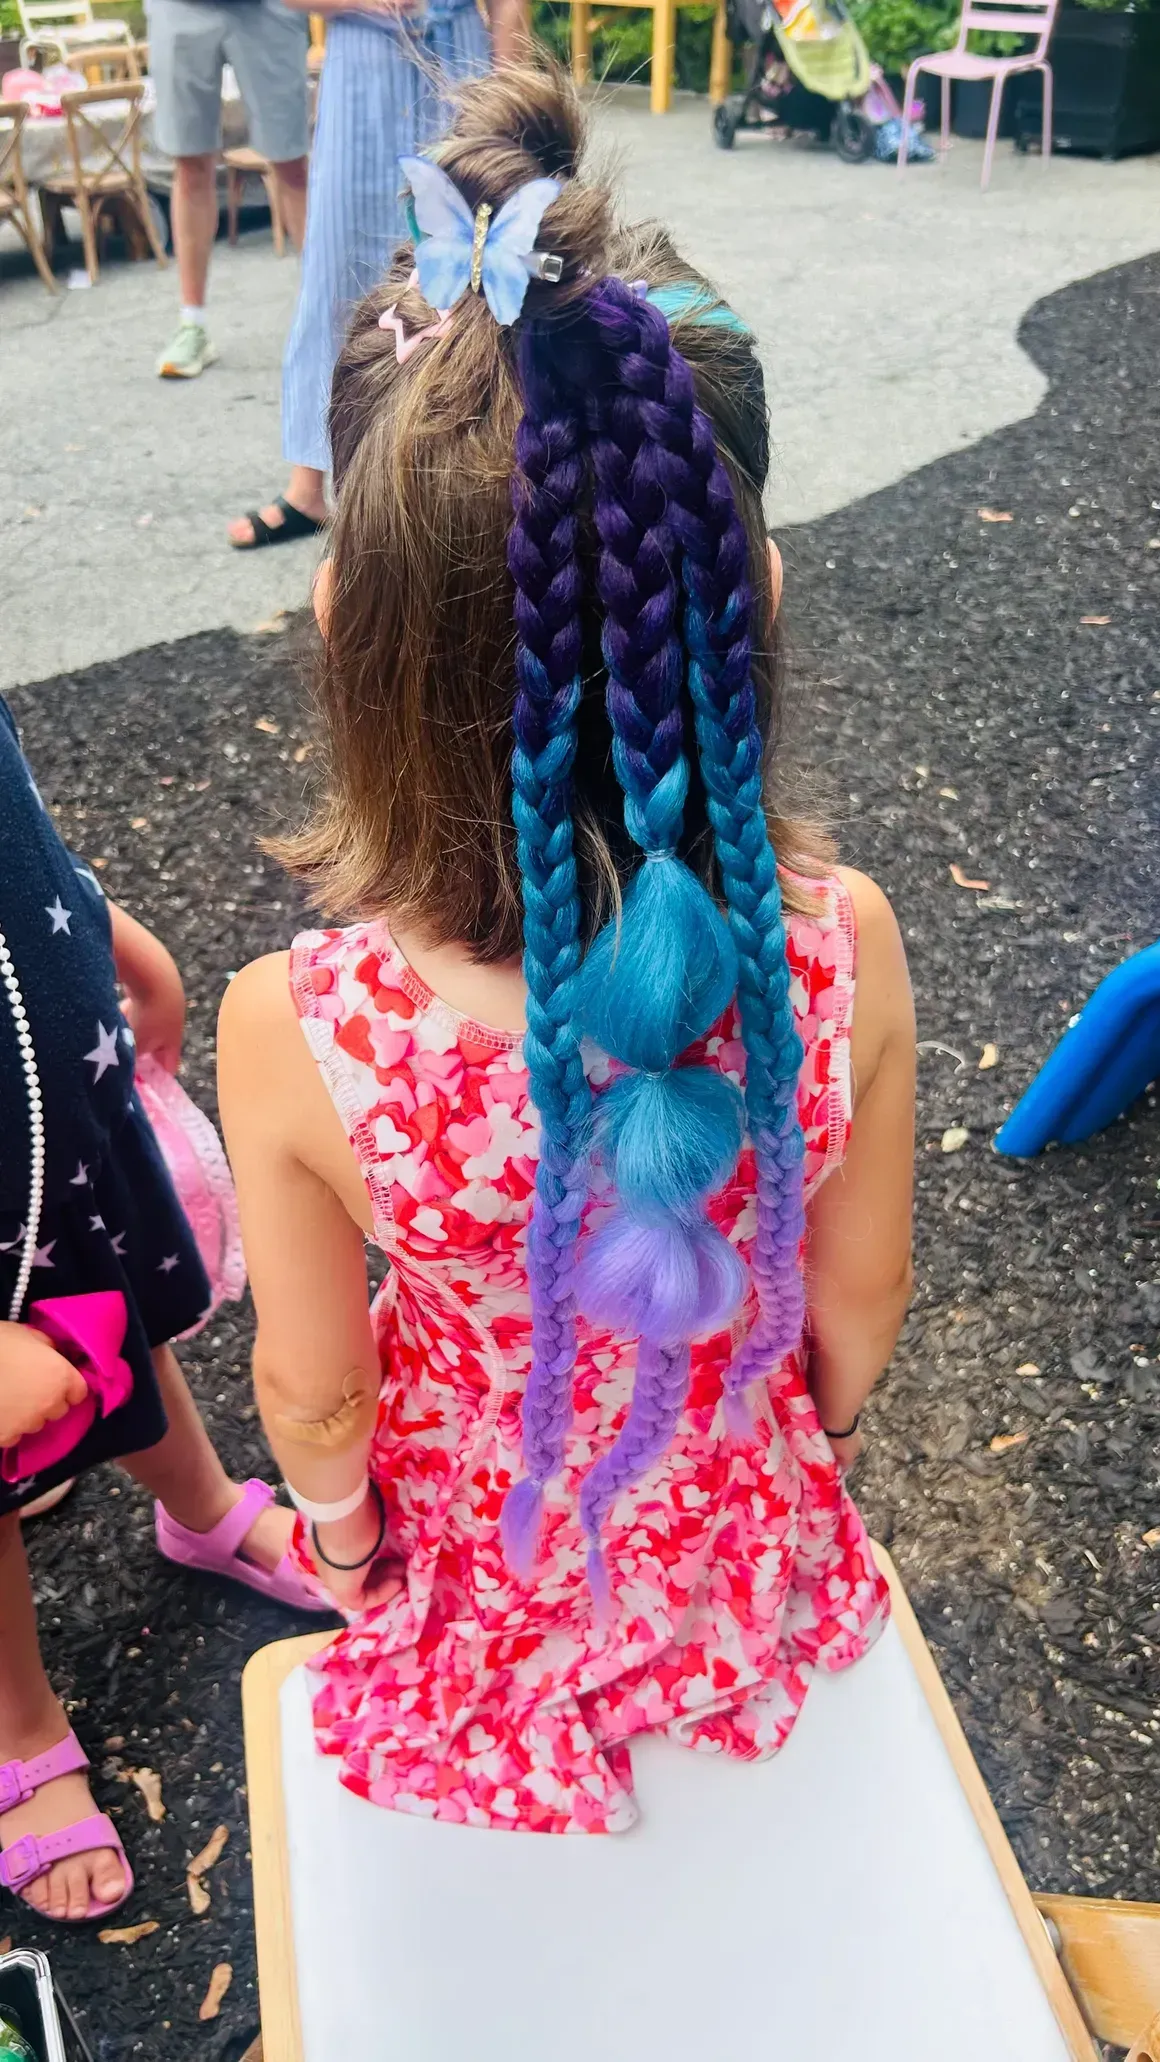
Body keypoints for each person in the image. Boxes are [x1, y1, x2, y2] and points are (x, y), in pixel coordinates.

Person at [217, 62, 917, 1834]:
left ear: (336, 620)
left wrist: (349, 1537)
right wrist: (760, 1471)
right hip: (736, 1561)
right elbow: (858, 1300)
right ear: (749, 595)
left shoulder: (299, 1031)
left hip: (495, 1564)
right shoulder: (842, 950)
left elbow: (311, 1391)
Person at [0, 700, 325, 1925]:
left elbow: (15, 825)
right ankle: (20, 1722)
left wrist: (112, 939)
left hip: (54, 1138)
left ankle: (200, 1512)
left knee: (111, 1328)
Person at [227, 0, 524, 549]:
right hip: (360, 59)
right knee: (337, 272)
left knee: (465, 268)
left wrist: (510, 85)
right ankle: (308, 486)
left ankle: (457, 478)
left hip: (461, 59)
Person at [151, 0, 310, 379]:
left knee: (291, 163)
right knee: (189, 161)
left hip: (268, 9)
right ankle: (192, 324)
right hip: (181, 7)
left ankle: (324, 319)